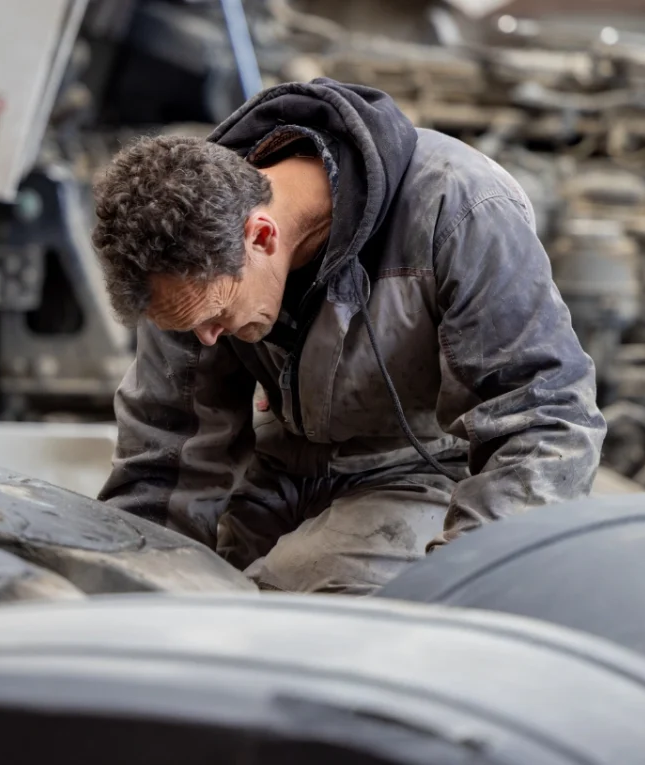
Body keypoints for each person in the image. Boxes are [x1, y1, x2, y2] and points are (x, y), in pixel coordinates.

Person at [91, 78, 607, 595]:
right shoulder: (186, 249)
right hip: (280, 479)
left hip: (428, 477)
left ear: (262, 236)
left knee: (273, 608)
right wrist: (133, 592)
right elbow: (166, 462)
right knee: (199, 600)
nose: (206, 340)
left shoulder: (460, 207)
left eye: (215, 316)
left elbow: (546, 418)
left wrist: (464, 580)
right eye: (186, 326)